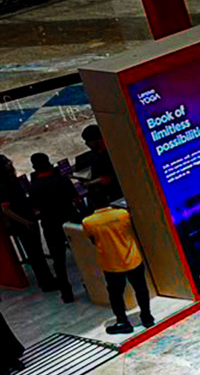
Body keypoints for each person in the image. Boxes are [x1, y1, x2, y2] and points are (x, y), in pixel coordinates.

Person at [81, 203, 152, 333]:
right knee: (141, 288)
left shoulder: (88, 222)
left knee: (116, 295)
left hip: (111, 264)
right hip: (132, 258)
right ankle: (147, 317)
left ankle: (122, 322)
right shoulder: (122, 214)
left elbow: (93, 240)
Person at [1, 154, 57, 294]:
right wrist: (25, 222)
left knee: (37, 251)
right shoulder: (3, 185)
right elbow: (5, 209)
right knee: (34, 254)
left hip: (28, 218)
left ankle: (48, 279)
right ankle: (46, 282)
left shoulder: (12, 181)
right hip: (22, 223)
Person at [25, 153, 78, 303]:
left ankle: (66, 293)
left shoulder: (34, 188)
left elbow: (34, 208)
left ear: (34, 168)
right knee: (82, 254)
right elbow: (76, 199)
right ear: (49, 164)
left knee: (58, 261)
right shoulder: (63, 180)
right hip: (70, 221)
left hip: (50, 225)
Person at [76, 125, 120, 211]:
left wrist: (88, 184)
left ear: (98, 140)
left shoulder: (107, 155)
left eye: (89, 141)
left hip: (111, 195)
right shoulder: (96, 154)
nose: (87, 144)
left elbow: (107, 178)